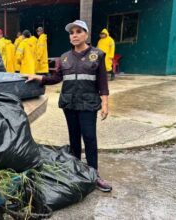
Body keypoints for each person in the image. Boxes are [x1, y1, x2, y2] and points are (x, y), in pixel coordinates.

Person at [25, 20, 112, 192]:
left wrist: (105, 103)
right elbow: (56, 78)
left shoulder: (98, 54)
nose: (74, 35)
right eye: (72, 32)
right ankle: (76, 172)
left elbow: (102, 82)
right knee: (74, 139)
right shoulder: (64, 57)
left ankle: (93, 175)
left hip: (87, 103)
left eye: (79, 31)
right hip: (69, 103)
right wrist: (39, 78)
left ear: (86, 34)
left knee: (89, 138)